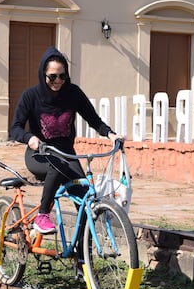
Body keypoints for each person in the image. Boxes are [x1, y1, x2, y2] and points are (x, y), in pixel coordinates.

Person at [10, 46, 122, 235]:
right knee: (57, 165)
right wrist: (30, 138)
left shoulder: (73, 93)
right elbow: (15, 128)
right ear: (43, 74)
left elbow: (93, 119)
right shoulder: (31, 96)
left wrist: (111, 134)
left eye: (62, 76)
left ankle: (82, 260)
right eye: (53, 76)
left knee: (85, 201)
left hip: (66, 154)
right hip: (39, 154)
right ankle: (42, 215)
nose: (58, 81)